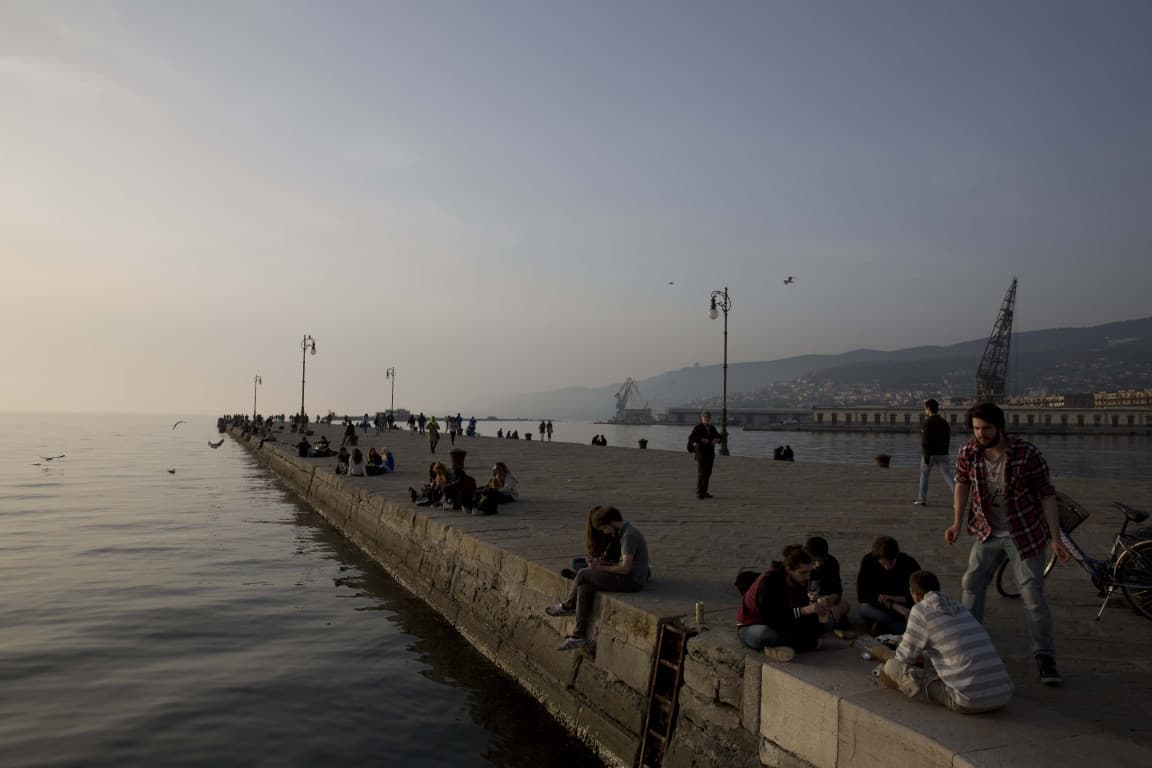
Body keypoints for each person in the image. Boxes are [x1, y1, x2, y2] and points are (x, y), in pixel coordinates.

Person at [946, 401, 1068, 686]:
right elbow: (962, 484)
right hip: (987, 532)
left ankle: (1044, 656)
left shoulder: (1026, 454)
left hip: (1024, 533)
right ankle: (969, 646)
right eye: (976, 428)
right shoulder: (968, 452)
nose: (981, 434)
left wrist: (1056, 538)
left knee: (1032, 597)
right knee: (971, 584)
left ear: (999, 426)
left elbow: (1047, 496)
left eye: (986, 428)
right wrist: (956, 522)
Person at [880, 570, 1013, 714]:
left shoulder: (920, 610)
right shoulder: (959, 606)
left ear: (914, 595)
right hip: (1004, 694)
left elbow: (903, 657)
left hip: (968, 700)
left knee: (892, 667)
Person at [546, 506, 649, 650]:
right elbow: (621, 564)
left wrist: (600, 568)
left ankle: (568, 606)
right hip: (627, 577)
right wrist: (602, 563)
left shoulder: (629, 536)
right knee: (584, 587)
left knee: (583, 574)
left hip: (632, 581)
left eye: (604, 528)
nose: (604, 532)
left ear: (611, 523)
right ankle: (579, 636)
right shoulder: (623, 533)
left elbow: (625, 569)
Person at [736, 545, 849, 661]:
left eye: (809, 572)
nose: (808, 576)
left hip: (784, 625)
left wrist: (819, 610)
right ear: (790, 569)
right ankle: (810, 644)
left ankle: (783, 646)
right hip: (755, 626)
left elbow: (797, 615)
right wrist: (804, 610)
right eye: (803, 573)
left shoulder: (798, 581)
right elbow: (769, 618)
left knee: (826, 624)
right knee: (765, 634)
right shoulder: (769, 581)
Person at [857, 535, 920, 636]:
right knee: (864, 609)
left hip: (906, 607)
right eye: (883, 564)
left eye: (891, 562)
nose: (887, 567)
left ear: (896, 556)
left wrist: (896, 599)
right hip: (883, 608)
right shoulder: (868, 562)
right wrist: (894, 605)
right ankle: (890, 626)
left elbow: (920, 593)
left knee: (911, 623)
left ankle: (882, 627)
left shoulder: (908, 562)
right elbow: (863, 595)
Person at [915, 399, 955, 506]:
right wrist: (945, 452)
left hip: (930, 454)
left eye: (925, 408)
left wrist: (927, 458)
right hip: (943, 454)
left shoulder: (927, 422)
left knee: (924, 475)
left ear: (928, 409)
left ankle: (921, 499)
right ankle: (958, 499)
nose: (925, 410)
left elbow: (925, 442)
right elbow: (947, 439)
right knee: (948, 476)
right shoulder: (944, 422)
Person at [687, 410, 721, 499]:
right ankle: (699, 492)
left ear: (710, 418)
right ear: (702, 418)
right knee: (702, 472)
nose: (706, 419)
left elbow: (720, 437)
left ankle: (705, 492)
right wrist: (701, 439)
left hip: (710, 454)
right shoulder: (698, 427)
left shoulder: (712, 428)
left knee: (708, 473)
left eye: (708, 417)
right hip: (701, 453)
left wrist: (716, 440)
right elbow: (691, 438)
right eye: (705, 417)